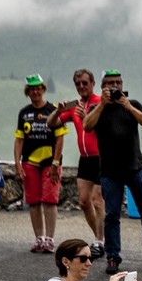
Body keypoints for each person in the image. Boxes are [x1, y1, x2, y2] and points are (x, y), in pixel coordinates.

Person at [84, 70, 142, 275]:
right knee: (112, 215)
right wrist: (103, 104)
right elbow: (86, 126)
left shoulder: (133, 105)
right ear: (103, 87)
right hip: (109, 171)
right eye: (110, 83)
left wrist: (128, 106)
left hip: (135, 168)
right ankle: (113, 256)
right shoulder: (98, 108)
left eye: (118, 83)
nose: (115, 86)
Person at [53, 69, 105, 257]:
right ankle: (100, 237)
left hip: (101, 157)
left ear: (92, 83)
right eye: (78, 84)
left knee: (98, 201)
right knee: (84, 202)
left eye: (85, 83)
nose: (81, 87)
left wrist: (86, 117)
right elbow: (53, 124)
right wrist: (58, 111)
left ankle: (99, 241)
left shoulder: (100, 103)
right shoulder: (76, 107)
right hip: (85, 159)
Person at [13, 75, 67, 253]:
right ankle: (39, 238)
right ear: (27, 91)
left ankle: (50, 239)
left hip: (50, 162)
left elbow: (60, 138)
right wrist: (17, 164)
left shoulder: (52, 109)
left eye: (38, 88)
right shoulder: (24, 113)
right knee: (34, 201)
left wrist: (55, 162)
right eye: (32, 89)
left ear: (43, 89)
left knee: (49, 201)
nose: (35, 92)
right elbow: (19, 140)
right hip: (30, 162)